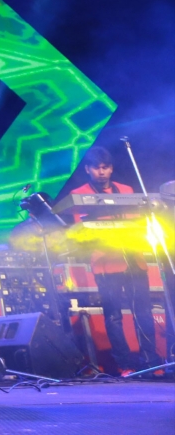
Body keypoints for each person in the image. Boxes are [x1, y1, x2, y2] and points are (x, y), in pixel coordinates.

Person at [65, 145, 159, 373]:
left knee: (143, 312)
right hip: (105, 263)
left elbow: (136, 223)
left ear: (111, 169)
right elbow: (83, 229)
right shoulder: (79, 194)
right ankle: (125, 365)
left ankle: (151, 362)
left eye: (105, 167)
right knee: (114, 316)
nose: (101, 172)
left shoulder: (126, 190)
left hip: (133, 259)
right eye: (97, 168)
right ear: (88, 169)